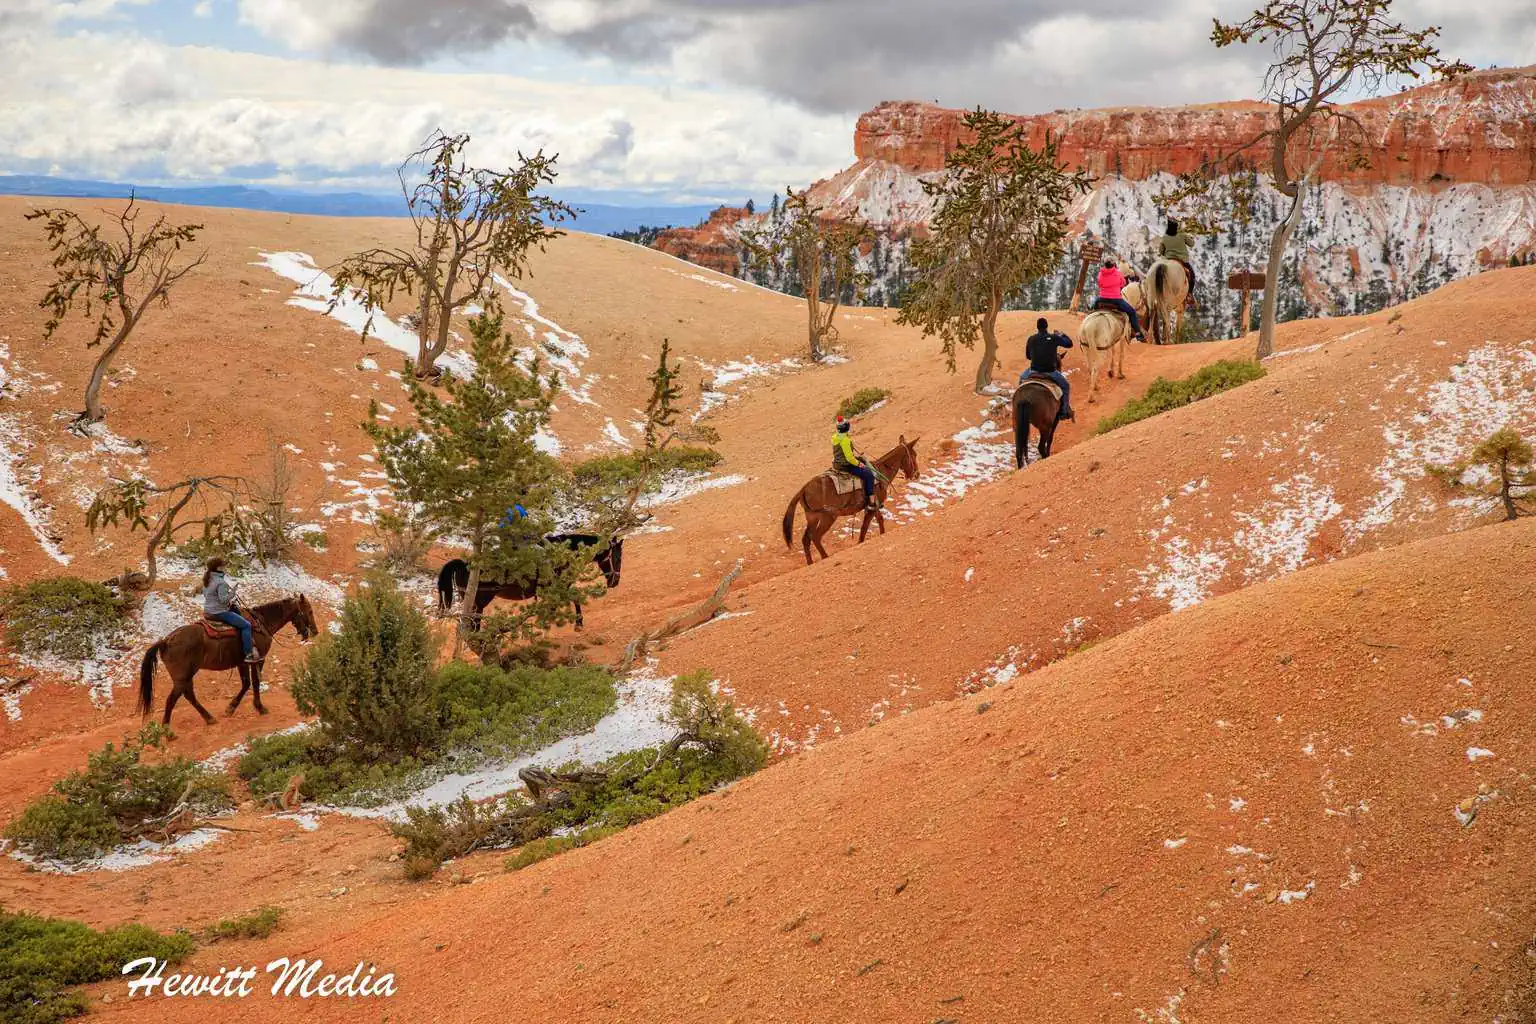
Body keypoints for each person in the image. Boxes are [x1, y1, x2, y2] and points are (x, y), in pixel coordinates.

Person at [203, 557, 260, 663]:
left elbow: (207, 595)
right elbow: (223, 600)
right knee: (246, 625)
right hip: (219, 612)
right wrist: (232, 593)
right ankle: (249, 654)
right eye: (223, 565)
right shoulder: (221, 582)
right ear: (218, 567)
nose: (225, 567)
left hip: (208, 611)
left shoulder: (207, 579)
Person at [1020, 317, 1075, 422]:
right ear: (1046, 327)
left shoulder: (1031, 339)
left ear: (1037, 327)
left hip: (1033, 371)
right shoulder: (1054, 337)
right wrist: (1061, 334)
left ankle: (1017, 408)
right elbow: (1069, 344)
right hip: (1050, 372)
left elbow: (1028, 356)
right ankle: (1063, 412)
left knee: (1021, 379)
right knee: (1066, 386)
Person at [832, 416, 879, 511]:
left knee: (861, 460)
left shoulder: (835, 437)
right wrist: (858, 464)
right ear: (847, 427)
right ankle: (871, 502)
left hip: (837, 463)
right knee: (869, 474)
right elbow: (849, 458)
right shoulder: (845, 440)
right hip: (845, 465)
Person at [1096, 259, 1146, 341]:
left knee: (1093, 307)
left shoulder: (1100, 273)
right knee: (1132, 312)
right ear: (1114, 265)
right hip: (1116, 300)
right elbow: (1122, 284)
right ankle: (1138, 334)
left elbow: (1099, 283)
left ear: (1105, 265)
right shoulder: (1118, 273)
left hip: (1102, 299)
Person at [1158, 218, 1197, 309]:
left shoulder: (1165, 237)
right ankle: (1189, 294)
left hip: (1168, 260)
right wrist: (1190, 236)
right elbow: (1192, 244)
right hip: (1181, 260)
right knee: (1192, 275)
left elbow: (1161, 251)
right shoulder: (1182, 235)